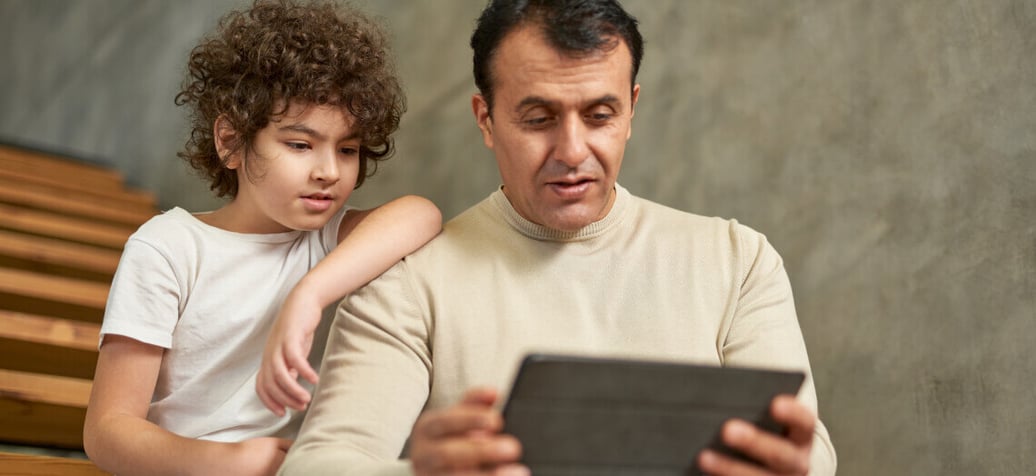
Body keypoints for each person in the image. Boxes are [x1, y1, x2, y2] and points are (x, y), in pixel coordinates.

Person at [278, 0, 836, 474]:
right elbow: (320, 464)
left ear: (632, 110)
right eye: (539, 119)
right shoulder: (405, 279)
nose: (572, 152)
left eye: (599, 115)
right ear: (486, 120)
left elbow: (811, 452)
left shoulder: (737, 261)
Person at [82, 1, 441, 475]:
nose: (329, 172)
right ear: (230, 141)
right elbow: (107, 430)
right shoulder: (169, 247)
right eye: (300, 144)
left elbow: (422, 215)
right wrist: (227, 461)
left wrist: (308, 296)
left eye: (348, 149)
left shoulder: (326, 240)